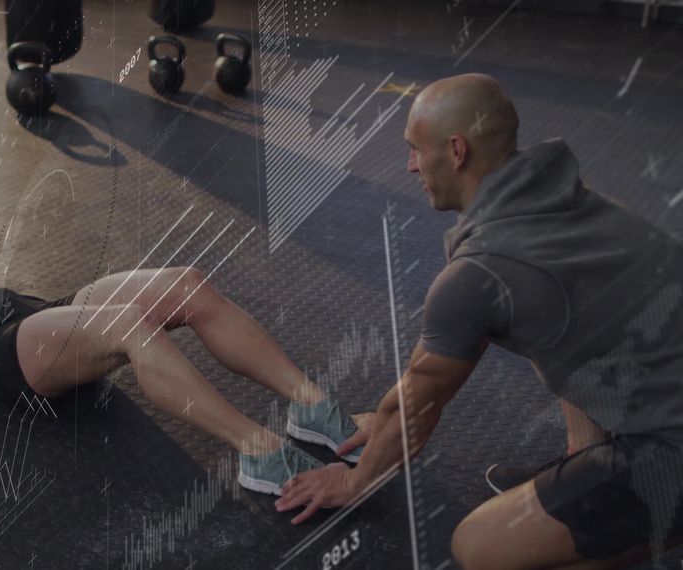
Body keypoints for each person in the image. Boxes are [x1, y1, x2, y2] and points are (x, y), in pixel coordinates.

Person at [275, 73, 683, 569]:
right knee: (552, 327)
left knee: (478, 545)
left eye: (414, 150)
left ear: (456, 150)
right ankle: (589, 469)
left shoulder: (478, 274)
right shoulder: (574, 200)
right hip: (662, 402)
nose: (409, 166)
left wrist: (355, 480)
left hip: (670, 451)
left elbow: (416, 408)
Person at [0, 191, 366, 495]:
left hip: (42, 315)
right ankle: (258, 450)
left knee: (186, 286)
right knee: (133, 326)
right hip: (0, 349)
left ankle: (312, 407)